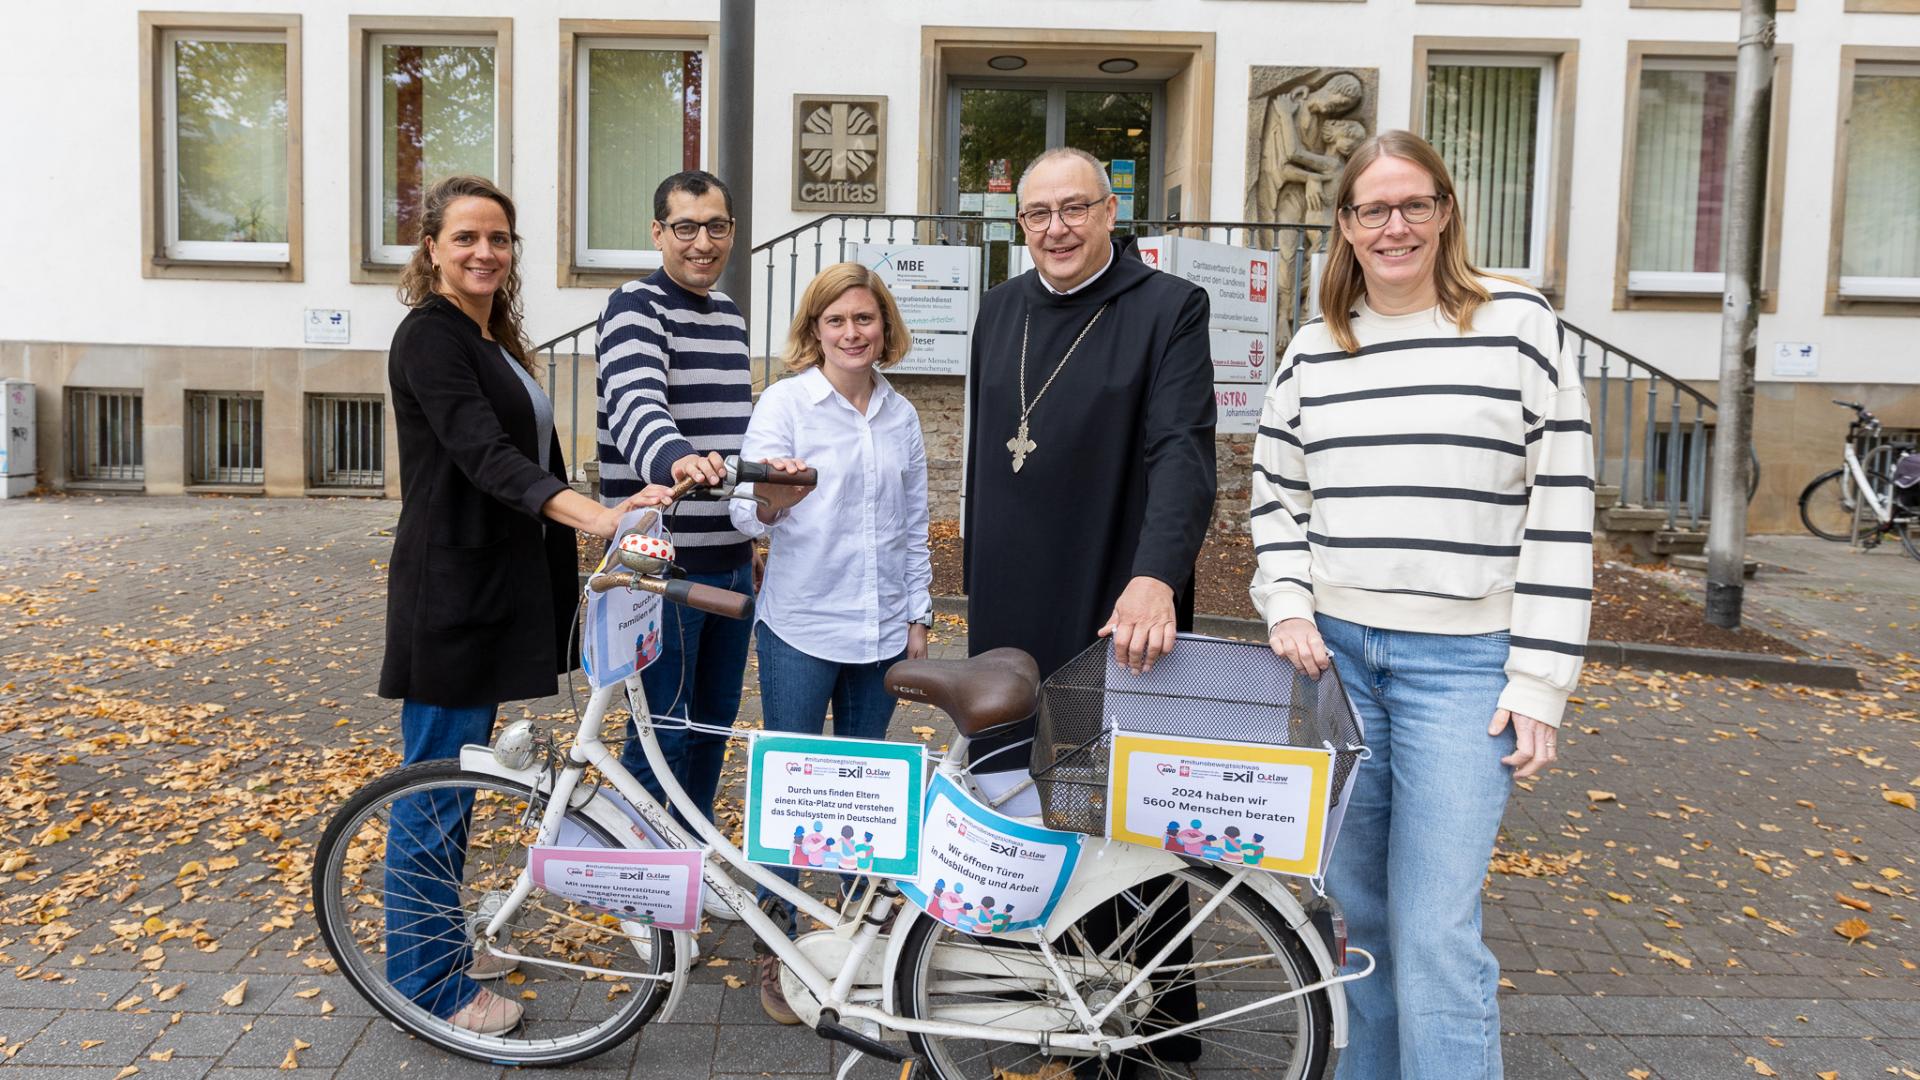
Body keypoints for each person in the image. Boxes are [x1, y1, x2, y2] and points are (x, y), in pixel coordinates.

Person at [1251, 130, 1594, 1079]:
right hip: (1337, 664)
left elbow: (1562, 507)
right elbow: (1276, 497)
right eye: (1373, 209)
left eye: (1414, 205)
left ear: (1445, 211)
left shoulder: (1517, 326)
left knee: (1436, 928)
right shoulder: (1315, 349)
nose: (1394, 227)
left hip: (1466, 667)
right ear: (1345, 224)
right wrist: (1288, 605)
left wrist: (1541, 681)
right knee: (1356, 919)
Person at [379, 175, 666, 1036]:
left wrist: (608, 508)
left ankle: (441, 945)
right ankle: (427, 985)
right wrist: (594, 517)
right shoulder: (429, 338)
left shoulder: (487, 337)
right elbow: (485, 457)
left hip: (488, 591)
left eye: (498, 238)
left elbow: (527, 456)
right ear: (431, 247)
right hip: (450, 597)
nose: (484, 252)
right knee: (435, 790)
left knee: (460, 784)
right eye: (466, 237)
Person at [963, 145, 1216, 1075]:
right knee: (1016, 801)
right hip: (1010, 602)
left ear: (1112, 212)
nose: (1057, 229)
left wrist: (1157, 575)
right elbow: (991, 453)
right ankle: (1041, 1001)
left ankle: (1147, 1029)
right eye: (1038, 213)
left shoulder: (1168, 307)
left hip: (1117, 595)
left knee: (1118, 814)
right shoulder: (1000, 308)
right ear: (1019, 223)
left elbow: (1183, 452)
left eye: (1075, 208)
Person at [727, 263, 933, 1023]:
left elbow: (915, 524)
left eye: (864, 319)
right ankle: (776, 945)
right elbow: (744, 513)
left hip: (880, 630)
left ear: (884, 326)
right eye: (837, 320)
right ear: (815, 329)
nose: (852, 333)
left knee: (865, 786)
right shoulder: (786, 403)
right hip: (803, 626)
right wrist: (771, 499)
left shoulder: (900, 414)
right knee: (789, 788)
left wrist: (918, 615)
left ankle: (852, 938)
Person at [594, 170, 754, 889]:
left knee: (713, 723)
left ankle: (691, 867)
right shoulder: (634, 305)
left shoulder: (729, 315)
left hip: (730, 557)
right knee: (661, 730)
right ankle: (642, 887)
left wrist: (754, 517)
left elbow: (737, 432)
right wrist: (675, 459)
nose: (702, 242)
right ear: (658, 233)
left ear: (731, 233)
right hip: (661, 564)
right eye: (685, 227)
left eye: (716, 226)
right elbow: (636, 403)